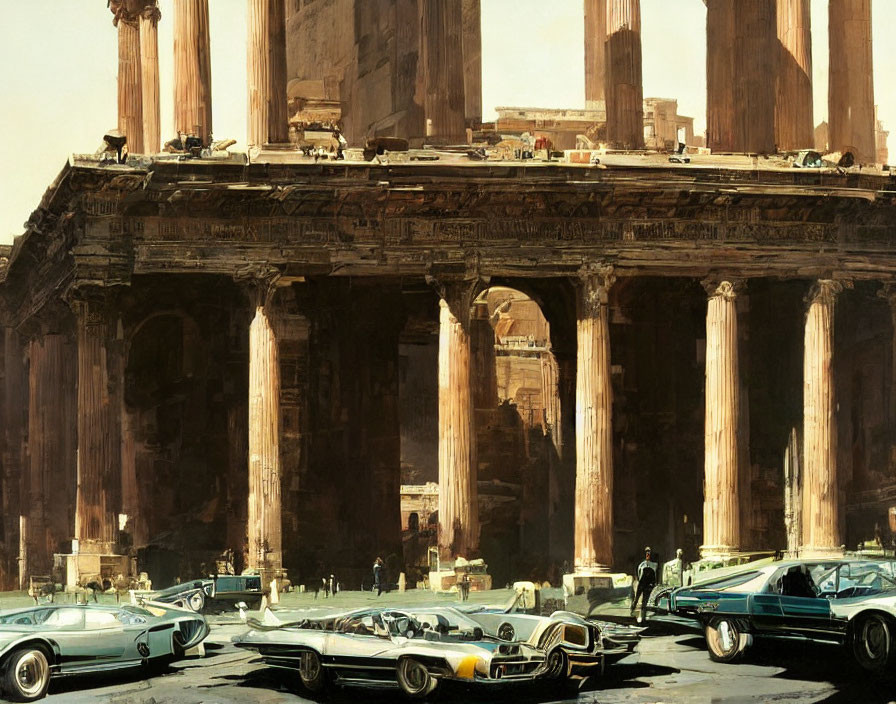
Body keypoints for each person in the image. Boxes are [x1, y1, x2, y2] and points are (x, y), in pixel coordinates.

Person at [631, 546, 658, 623]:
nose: (648, 553)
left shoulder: (654, 565)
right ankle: (632, 612)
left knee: (644, 602)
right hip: (641, 584)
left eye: (649, 552)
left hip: (648, 585)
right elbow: (638, 574)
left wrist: (653, 584)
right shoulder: (641, 564)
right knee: (636, 599)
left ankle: (643, 618)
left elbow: (655, 575)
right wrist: (639, 582)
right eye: (646, 552)